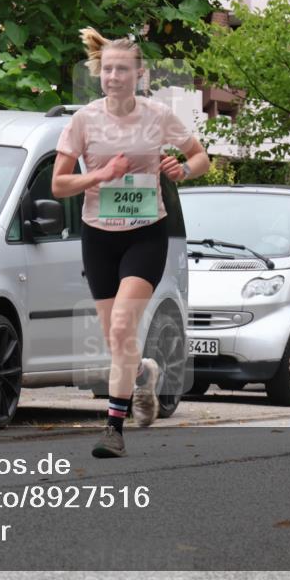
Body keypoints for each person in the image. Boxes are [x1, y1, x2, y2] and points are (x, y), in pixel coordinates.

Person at [52, 27, 210, 458]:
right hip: (99, 238)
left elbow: (200, 157)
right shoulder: (84, 120)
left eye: (122, 70)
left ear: (140, 74)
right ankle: (142, 373)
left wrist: (183, 169)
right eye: (107, 70)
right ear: (98, 73)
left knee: (123, 325)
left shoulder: (158, 115)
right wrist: (100, 176)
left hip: (146, 234)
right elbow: (59, 185)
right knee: (116, 339)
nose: (113, 77)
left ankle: (113, 429)